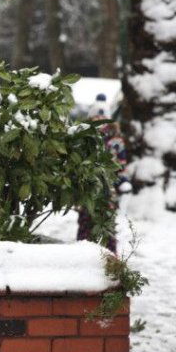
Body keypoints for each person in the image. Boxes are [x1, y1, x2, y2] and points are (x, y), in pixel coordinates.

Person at [76, 93, 129, 252]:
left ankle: (84, 253)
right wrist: (122, 181)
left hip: (93, 189)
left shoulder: (84, 135)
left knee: (89, 224)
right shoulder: (114, 138)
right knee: (104, 225)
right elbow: (121, 165)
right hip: (101, 190)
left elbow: (120, 165)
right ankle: (107, 258)